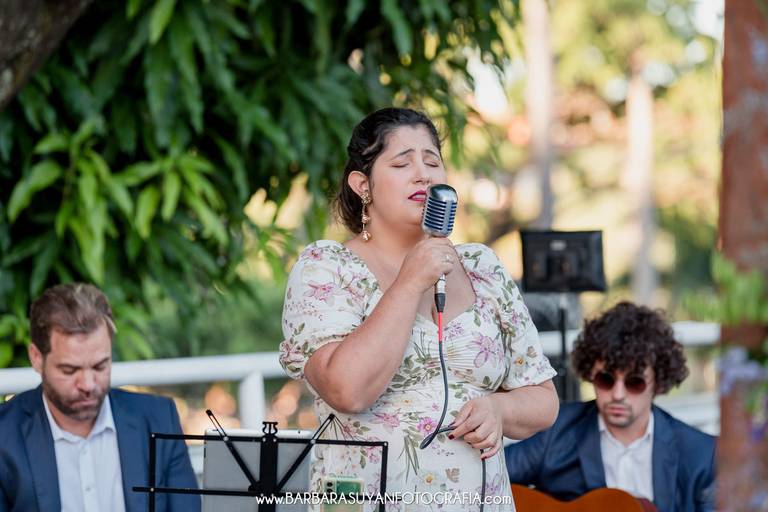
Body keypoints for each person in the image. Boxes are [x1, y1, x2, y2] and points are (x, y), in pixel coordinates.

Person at [280, 107, 559, 510]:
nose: (423, 175)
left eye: (432, 161)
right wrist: (410, 282)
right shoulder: (327, 268)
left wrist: (500, 408)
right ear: (362, 185)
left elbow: (544, 399)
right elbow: (346, 390)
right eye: (401, 163)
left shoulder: (482, 267)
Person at [0, 283, 200, 512]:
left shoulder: (159, 419)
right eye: (69, 370)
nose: (88, 384)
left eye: (100, 366)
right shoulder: (5, 433)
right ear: (36, 358)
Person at [504, 301, 716, 512]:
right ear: (590, 374)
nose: (618, 394)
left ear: (658, 382)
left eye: (634, 382)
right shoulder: (555, 432)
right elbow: (488, 481)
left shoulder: (703, 455)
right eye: (606, 380)